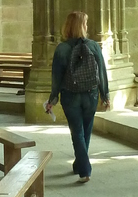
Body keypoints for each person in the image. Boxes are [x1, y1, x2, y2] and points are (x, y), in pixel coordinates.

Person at [46, 10, 109, 183]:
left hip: (70, 96)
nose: (87, 26)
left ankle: (84, 169)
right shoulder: (94, 46)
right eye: (86, 24)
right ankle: (79, 163)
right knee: (86, 131)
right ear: (82, 26)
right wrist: (105, 94)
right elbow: (102, 72)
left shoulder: (62, 49)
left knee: (77, 132)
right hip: (91, 94)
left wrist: (53, 98)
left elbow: (56, 77)